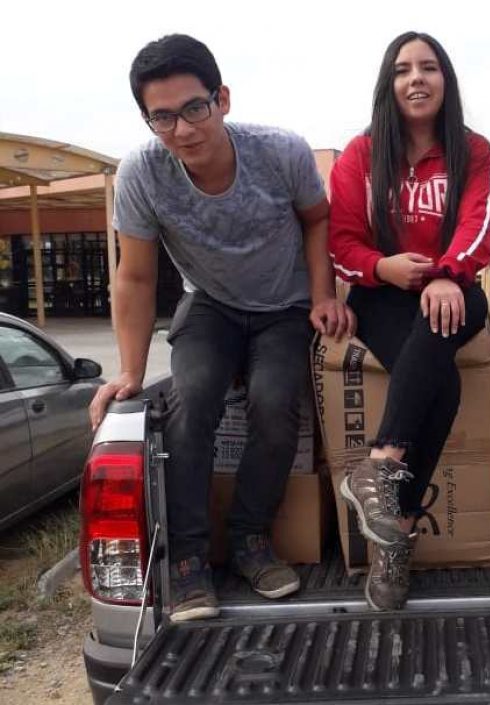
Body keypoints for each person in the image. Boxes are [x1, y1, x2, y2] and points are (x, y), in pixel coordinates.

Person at [88, 34, 354, 622]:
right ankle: (187, 557)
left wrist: (320, 297)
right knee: (193, 400)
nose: (181, 129)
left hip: (283, 306)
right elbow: (133, 278)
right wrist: (129, 371)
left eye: (193, 108)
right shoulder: (142, 173)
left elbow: (318, 220)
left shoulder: (280, 152)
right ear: (147, 120)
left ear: (222, 99)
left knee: (275, 401)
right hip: (208, 304)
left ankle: (249, 537)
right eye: (161, 117)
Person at [328, 31, 490, 611]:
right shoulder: (360, 154)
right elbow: (340, 243)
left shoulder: (473, 151)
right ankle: (395, 533)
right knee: (441, 384)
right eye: (403, 69)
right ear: (388, 84)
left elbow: (478, 225)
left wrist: (448, 271)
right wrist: (382, 266)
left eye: (428, 67)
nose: (416, 79)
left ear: (445, 80)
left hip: (455, 291)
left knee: (448, 317)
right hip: (384, 296)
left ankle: (379, 467)